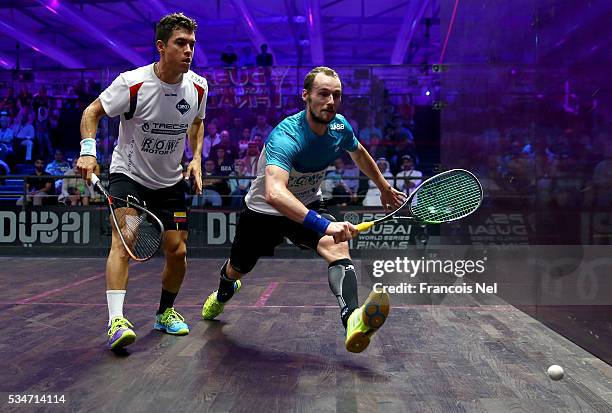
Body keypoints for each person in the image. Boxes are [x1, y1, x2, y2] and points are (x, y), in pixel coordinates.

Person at [200, 66, 405, 353]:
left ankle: (353, 321)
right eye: (323, 94)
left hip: (307, 205)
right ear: (306, 96)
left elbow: (358, 152)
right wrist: (325, 225)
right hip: (263, 214)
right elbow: (275, 194)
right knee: (237, 269)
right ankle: (223, 293)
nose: (330, 102)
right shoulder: (286, 136)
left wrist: (383, 186)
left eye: (336, 95)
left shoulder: (339, 127)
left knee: (337, 249)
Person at [77, 13, 207, 351]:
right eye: (181, 43)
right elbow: (92, 113)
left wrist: (195, 159)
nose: (188, 50)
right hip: (129, 177)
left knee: (178, 252)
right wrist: (89, 151)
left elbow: (197, 123)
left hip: (169, 183)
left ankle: (165, 313)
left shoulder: (198, 86)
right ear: (162, 47)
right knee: (126, 239)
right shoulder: (132, 83)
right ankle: (116, 322)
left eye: (192, 44)